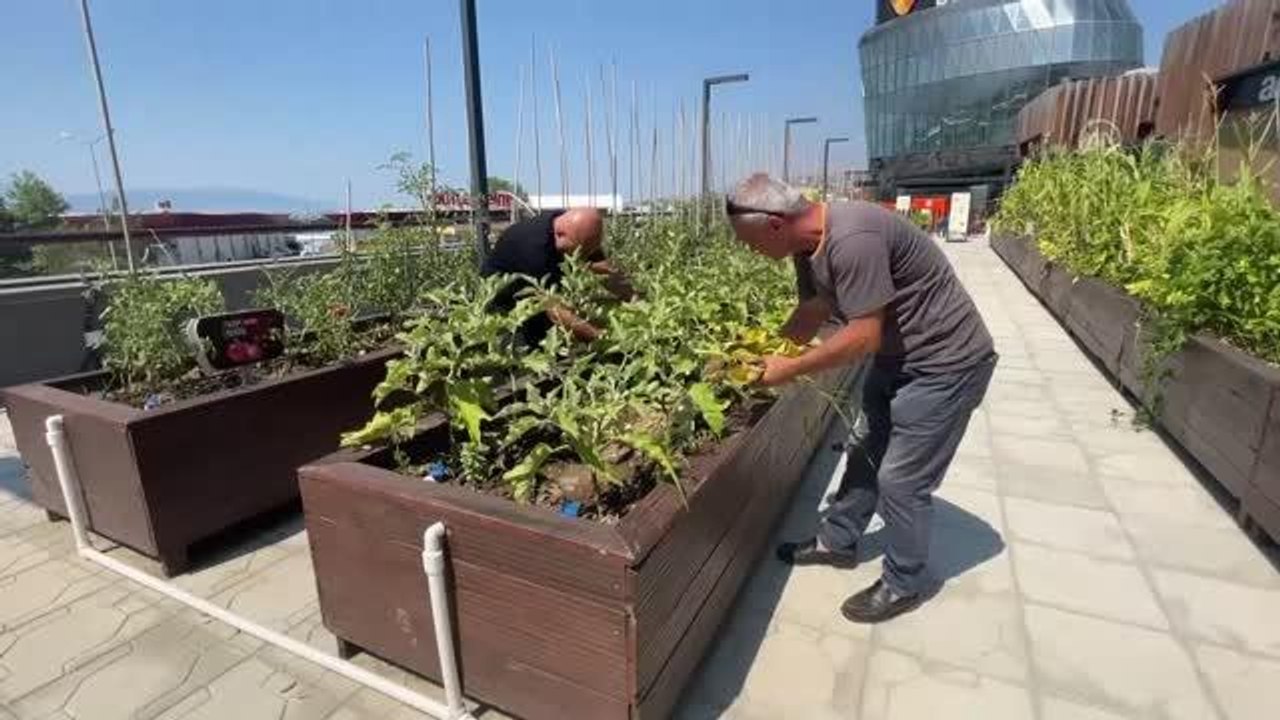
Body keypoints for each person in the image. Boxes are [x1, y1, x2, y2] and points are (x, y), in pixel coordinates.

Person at [725, 173, 997, 624]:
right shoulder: (803, 248)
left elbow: (862, 336)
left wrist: (789, 369)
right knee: (866, 451)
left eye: (749, 241)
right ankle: (838, 541)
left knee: (902, 479)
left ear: (775, 224)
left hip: (947, 363)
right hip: (898, 357)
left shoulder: (853, 238)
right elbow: (813, 312)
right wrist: (756, 355)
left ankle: (903, 582)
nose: (748, 251)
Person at [482, 207, 628, 346]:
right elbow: (555, 311)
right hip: (506, 308)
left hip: (538, 297)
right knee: (522, 354)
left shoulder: (572, 227)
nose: (581, 258)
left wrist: (635, 301)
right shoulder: (534, 249)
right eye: (579, 251)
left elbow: (603, 266)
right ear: (560, 235)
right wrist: (603, 338)